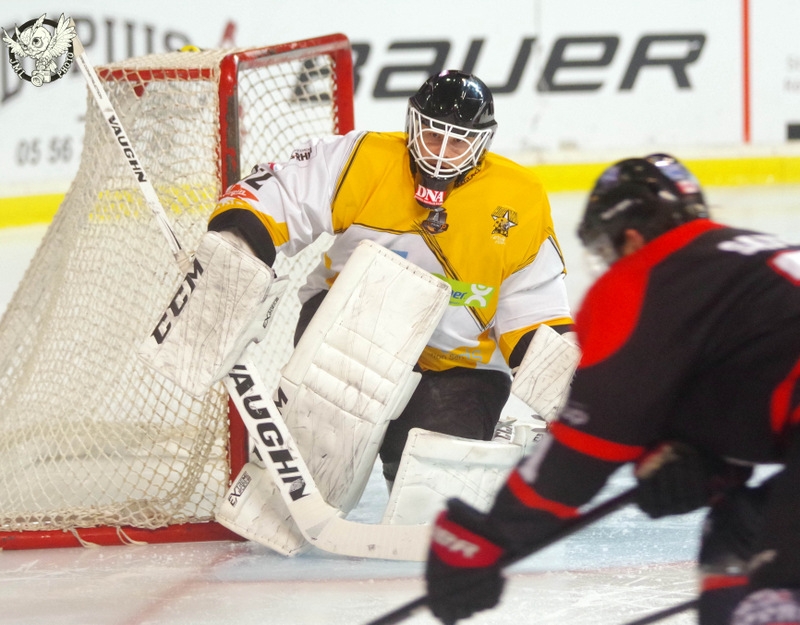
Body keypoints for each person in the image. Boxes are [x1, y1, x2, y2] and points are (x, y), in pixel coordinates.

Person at [424, 154, 800, 625]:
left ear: (632, 236)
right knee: (742, 533)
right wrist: (701, 459)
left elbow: (583, 449)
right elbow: (757, 382)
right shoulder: (743, 262)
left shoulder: (645, 277)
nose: (609, 265)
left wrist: (490, 537)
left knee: (770, 585)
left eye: (607, 250)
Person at [205, 70, 574, 487]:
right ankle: (301, 458)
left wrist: (565, 392)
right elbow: (284, 191)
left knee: (432, 486)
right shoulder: (365, 158)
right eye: (433, 136)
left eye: (458, 142)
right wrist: (238, 242)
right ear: (413, 125)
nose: (441, 154)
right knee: (320, 460)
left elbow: (532, 303)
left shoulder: (519, 197)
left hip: (459, 362)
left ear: (481, 143)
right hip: (351, 327)